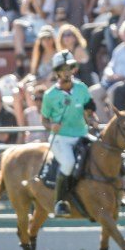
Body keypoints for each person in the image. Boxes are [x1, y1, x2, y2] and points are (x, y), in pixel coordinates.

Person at [41, 49, 98, 217]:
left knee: (101, 153)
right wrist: (51, 125)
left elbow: (89, 110)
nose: (67, 72)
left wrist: (92, 119)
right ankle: (60, 202)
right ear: (57, 72)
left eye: (70, 68)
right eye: (63, 69)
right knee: (68, 163)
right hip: (61, 139)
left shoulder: (81, 88)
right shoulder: (49, 95)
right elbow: (44, 119)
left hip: (82, 135)